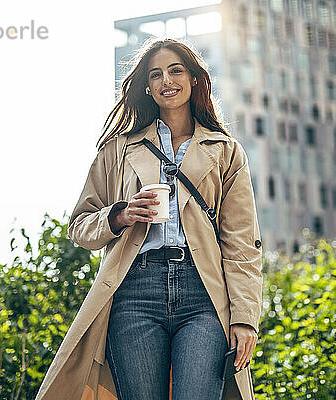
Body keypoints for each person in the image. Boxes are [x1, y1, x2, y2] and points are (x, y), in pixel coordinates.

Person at [35, 37, 263, 400]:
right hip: (134, 292)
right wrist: (120, 214)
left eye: (175, 70)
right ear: (146, 86)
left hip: (204, 293)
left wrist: (245, 318)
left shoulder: (225, 151)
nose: (166, 81)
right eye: (155, 74)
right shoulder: (118, 149)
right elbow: (80, 226)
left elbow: (241, 244)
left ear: (193, 79)